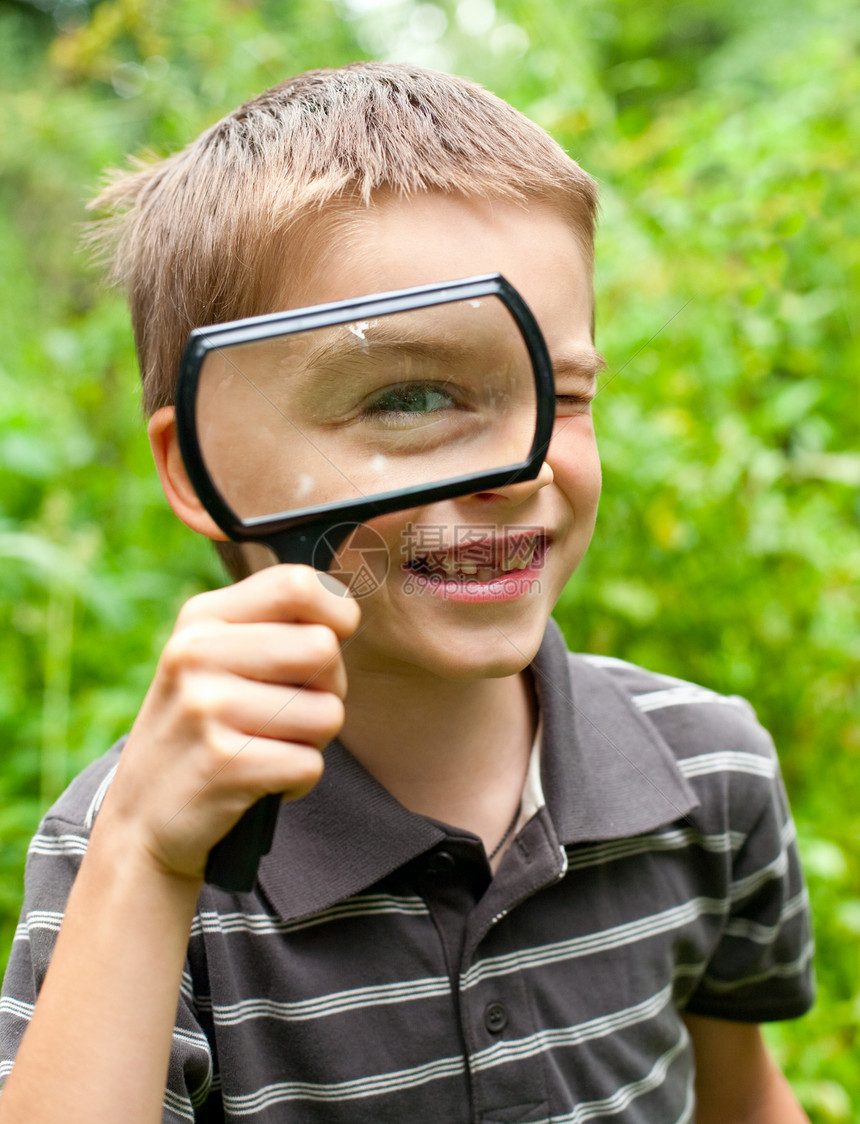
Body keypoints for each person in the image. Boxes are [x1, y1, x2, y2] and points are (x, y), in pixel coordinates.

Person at [0, 62, 813, 1123]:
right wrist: (149, 859)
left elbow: (742, 1099)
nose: (520, 469)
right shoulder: (140, 838)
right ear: (206, 463)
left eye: (559, 394)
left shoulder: (707, 771)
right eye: (411, 396)